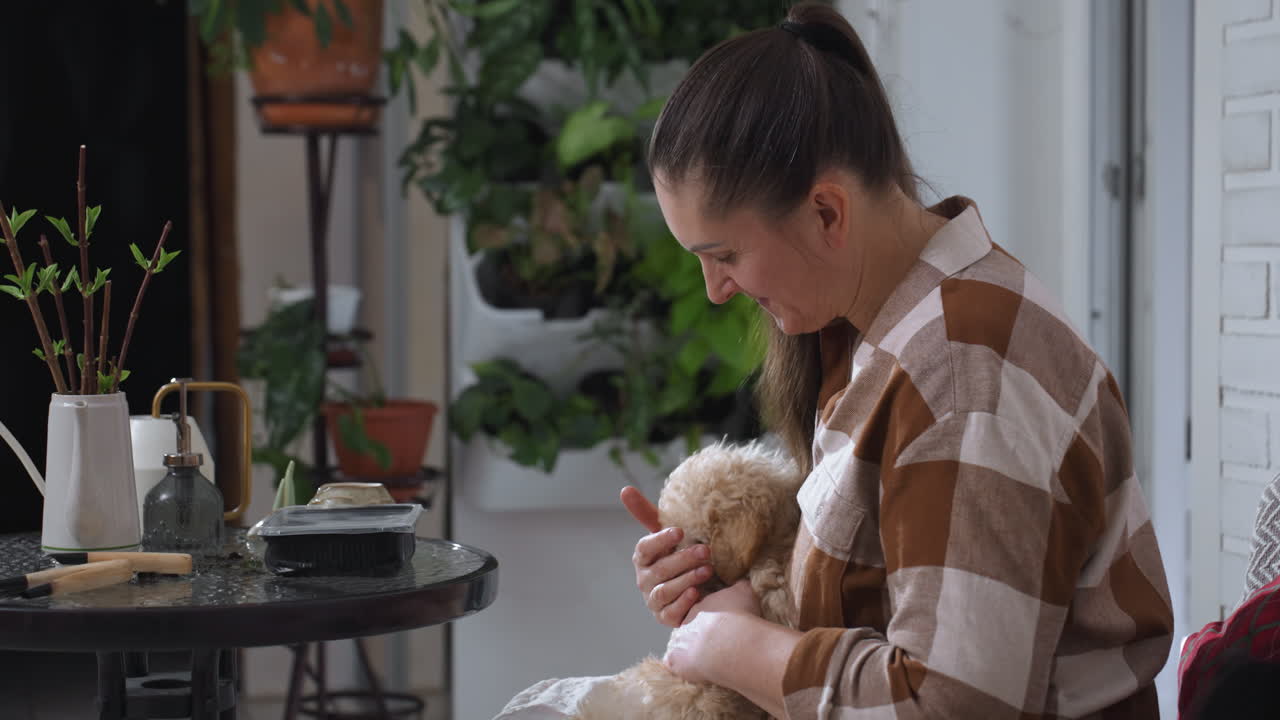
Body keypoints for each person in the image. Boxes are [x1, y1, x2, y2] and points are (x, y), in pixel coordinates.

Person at [621, 3, 1174, 718]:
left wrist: (736, 647)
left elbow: (953, 704)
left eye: (724, 254)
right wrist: (733, 584)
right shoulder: (880, 328)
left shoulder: (963, 376)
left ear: (826, 212)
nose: (716, 290)